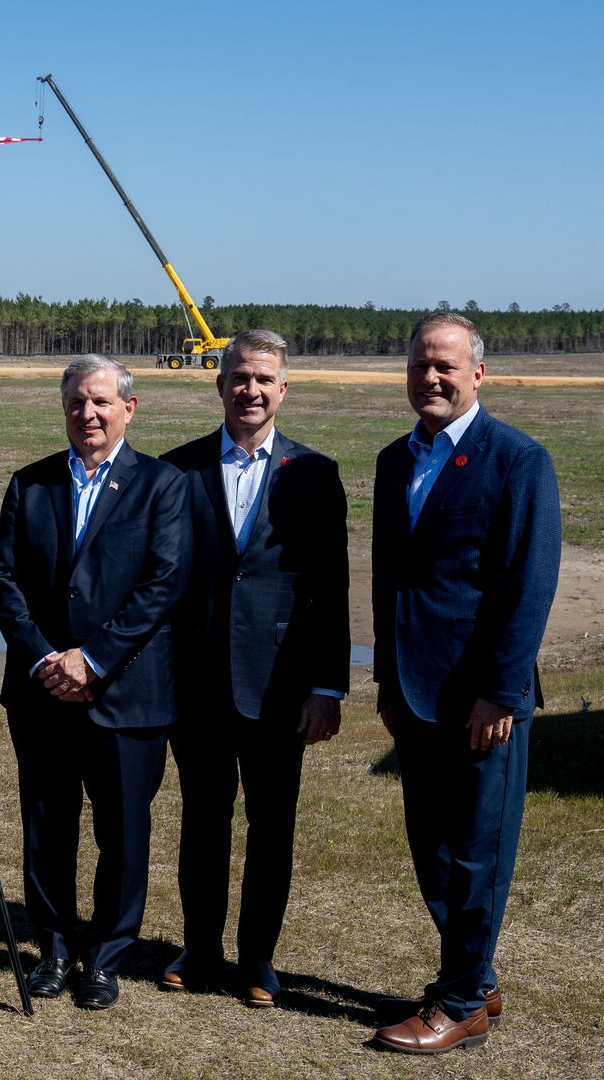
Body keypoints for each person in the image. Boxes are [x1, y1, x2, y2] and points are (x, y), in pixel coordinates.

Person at [369, 311, 560, 1054]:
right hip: (414, 693)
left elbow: (527, 586)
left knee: (479, 851)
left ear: (478, 373)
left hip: (484, 699)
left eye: (447, 365)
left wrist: (501, 691)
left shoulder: (517, 458)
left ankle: (459, 1004)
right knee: (434, 850)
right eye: (420, 365)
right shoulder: (394, 460)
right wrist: (387, 682)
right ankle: (475, 974)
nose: (432, 378)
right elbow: (392, 582)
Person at [0, 354, 190, 1011]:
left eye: (102, 402)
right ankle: (51, 947)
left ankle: (104, 958)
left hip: (127, 695)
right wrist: (48, 659)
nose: (89, 414)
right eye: (77, 402)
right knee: (48, 826)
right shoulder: (30, 484)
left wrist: (93, 660)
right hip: (42, 693)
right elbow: (4, 582)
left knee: (123, 834)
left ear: (129, 408)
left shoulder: (163, 485)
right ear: (64, 408)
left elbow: (164, 583)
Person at [158, 329, 349, 1007]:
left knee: (272, 827)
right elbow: (162, 583)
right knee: (202, 821)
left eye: (265, 380)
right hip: (199, 685)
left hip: (280, 688)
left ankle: (259, 960)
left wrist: (328, 687)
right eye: (239, 377)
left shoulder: (316, 475)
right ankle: (201, 948)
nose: (251, 390)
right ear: (219, 384)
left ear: (284, 389)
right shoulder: (175, 472)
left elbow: (331, 589)